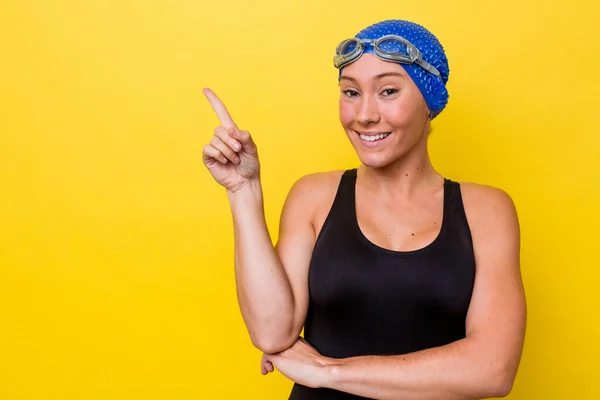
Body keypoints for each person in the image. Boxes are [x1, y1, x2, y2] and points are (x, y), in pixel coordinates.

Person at [202, 19, 526, 400]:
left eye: (388, 91)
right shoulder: (313, 197)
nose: (364, 115)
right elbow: (272, 332)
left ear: (430, 101)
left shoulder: (487, 210)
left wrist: (328, 371)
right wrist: (243, 189)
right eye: (351, 92)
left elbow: (492, 370)